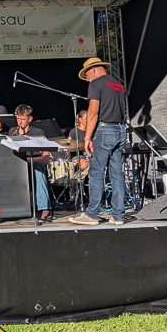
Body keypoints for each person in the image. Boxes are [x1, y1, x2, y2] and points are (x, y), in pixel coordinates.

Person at [69, 57, 128, 226]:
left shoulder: (96, 83)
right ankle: (118, 216)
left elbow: (93, 112)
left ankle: (92, 214)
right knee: (117, 175)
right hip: (120, 129)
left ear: (94, 69)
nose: (86, 78)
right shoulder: (118, 84)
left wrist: (88, 137)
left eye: (86, 74)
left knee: (96, 173)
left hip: (104, 130)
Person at [9, 104, 53, 221]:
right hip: (17, 163)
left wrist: (30, 160)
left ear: (30, 119)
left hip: (34, 162)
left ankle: (44, 208)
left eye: (23, 119)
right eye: (18, 118)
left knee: (38, 169)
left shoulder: (38, 133)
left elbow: (46, 158)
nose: (20, 122)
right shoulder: (12, 131)